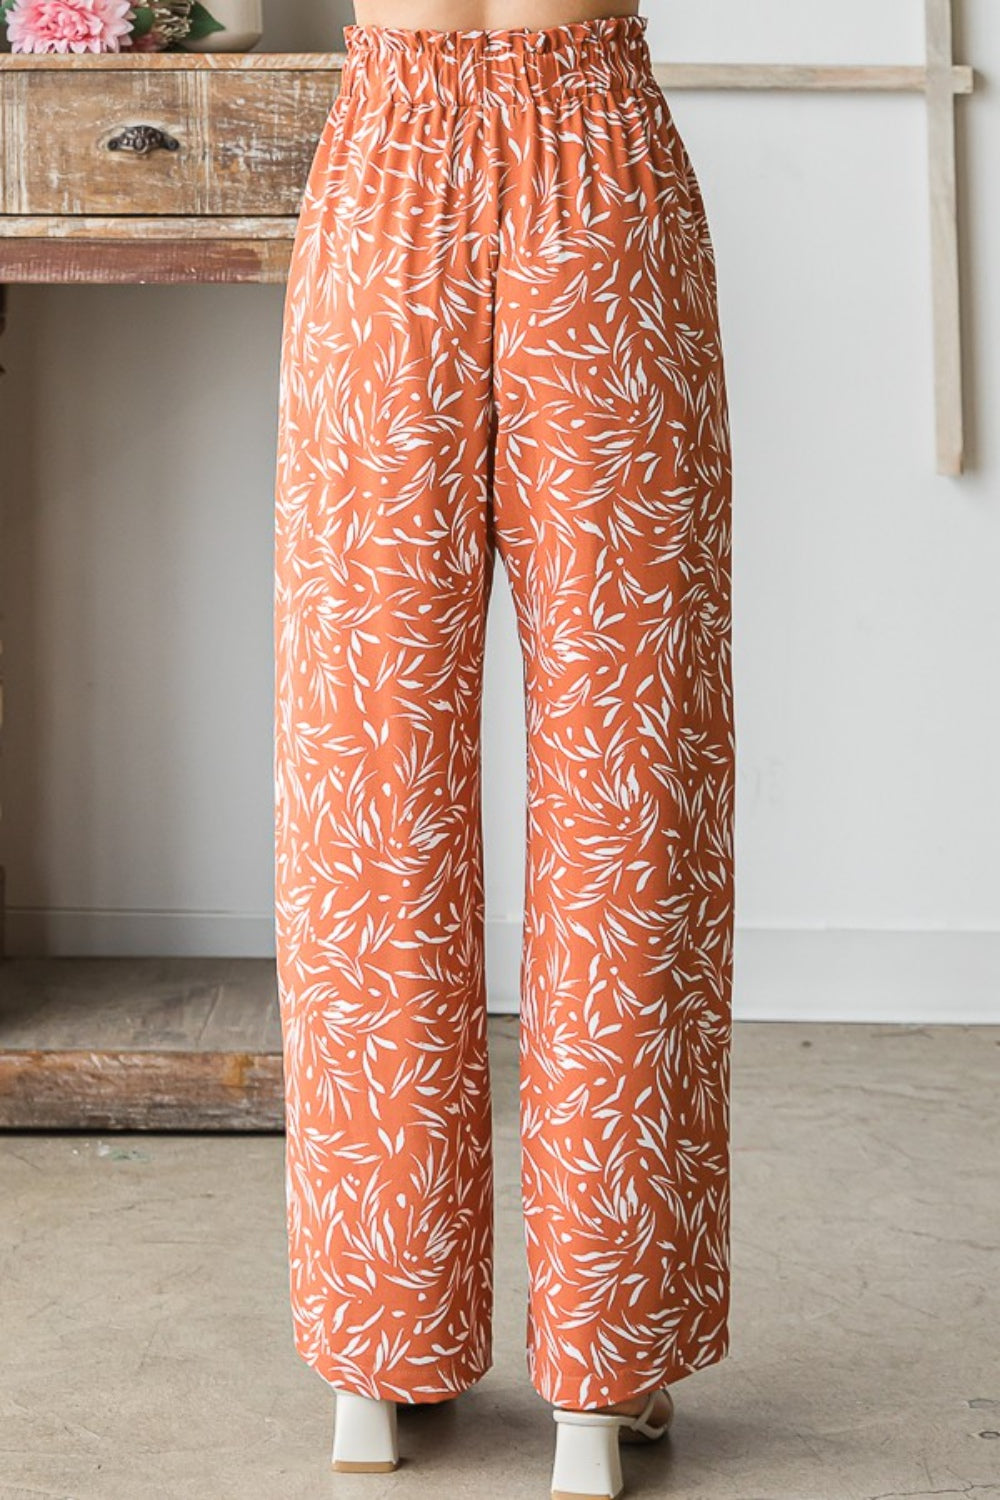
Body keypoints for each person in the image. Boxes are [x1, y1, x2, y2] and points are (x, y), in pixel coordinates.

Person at [272, 2, 734, 1494]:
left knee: (368, 770)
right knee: (633, 764)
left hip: (386, 182)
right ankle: (607, 1367)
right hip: (600, 179)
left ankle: (378, 1346)